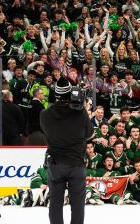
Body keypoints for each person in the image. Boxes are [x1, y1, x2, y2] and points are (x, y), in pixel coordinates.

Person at [40, 77, 93, 224]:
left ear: (56, 95)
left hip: (56, 165)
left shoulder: (45, 114)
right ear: (70, 93)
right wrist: (85, 111)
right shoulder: (80, 113)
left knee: (55, 204)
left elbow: (47, 131)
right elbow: (89, 134)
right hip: (76, 164)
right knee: (77, 205)